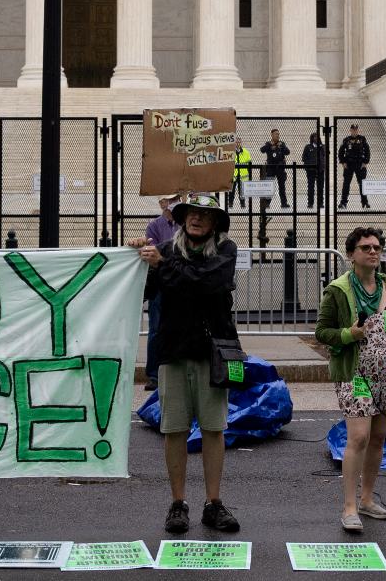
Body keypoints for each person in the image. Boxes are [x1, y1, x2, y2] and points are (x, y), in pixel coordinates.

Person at [129, 194, 241, 536]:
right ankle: (178, 503)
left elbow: (206, 282)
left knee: (213, 429)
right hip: (173, 351)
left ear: (215, 224)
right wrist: (135, 257)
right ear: (182, 218)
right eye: (191, 213)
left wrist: (162, 263)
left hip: (212, 352)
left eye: (204, 215)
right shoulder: (164, 249)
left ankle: (213, 502)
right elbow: (145, 289)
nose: (196, 219)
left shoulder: (225, 250)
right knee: (174, 430)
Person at [315, 227, 386, 532]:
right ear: (351, 254)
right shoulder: (337, 290)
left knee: (378, 437)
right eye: (365, 247)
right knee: (359, 436)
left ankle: (367, 499)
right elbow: (321, 331)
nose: (373, 252)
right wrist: (351, 333)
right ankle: (349, 507)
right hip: (354, 371)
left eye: (377, 247)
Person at [142, 192, 183, 391]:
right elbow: (154, 252)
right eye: (171, 200)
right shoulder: (155, 226)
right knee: (156, 329)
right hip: (160, 282)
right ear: (162, 203)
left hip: (177, 279)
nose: (174, 203)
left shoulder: (183, 225)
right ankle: (153, 375)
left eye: (176, 199)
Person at [338, 124, 372, 209]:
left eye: (356, 129)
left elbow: (367, 151)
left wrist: (365, 162)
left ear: (358, 130)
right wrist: (343, 162)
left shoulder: (362, 139)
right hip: (349, 165)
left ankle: (365, 202)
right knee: (346, 184)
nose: (354, 131)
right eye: (353, 129)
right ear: (350, 130)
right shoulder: (346, 140)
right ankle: (343, 202)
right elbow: (340, 152)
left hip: (360, 164)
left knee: (362, 184)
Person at [259, 129, 291, 209]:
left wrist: (282, 146)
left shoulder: (282, 144)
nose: (277, 135)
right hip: (271, 168)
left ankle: (284, 203)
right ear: (272, 135)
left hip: (280, 168)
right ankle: (267, 203)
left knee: (282, 187)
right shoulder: (268, 144)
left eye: (278, 134)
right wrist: (270, 145)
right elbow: (262, 150)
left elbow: (288, 152)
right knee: (269, 186)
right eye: (276, 134)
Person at [302, 130, 328, 210]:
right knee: (311, 187)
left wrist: (323, 165)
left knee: (320, 187)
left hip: (320, 170)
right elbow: (304, 158)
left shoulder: (322, 146)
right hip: (311, 171)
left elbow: (326, 156)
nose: (316, 138)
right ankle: (310, 203)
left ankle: (321, 203)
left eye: (317, 137)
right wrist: (307, 167)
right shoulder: (308, 147)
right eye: (314, 137)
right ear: (312, 138)